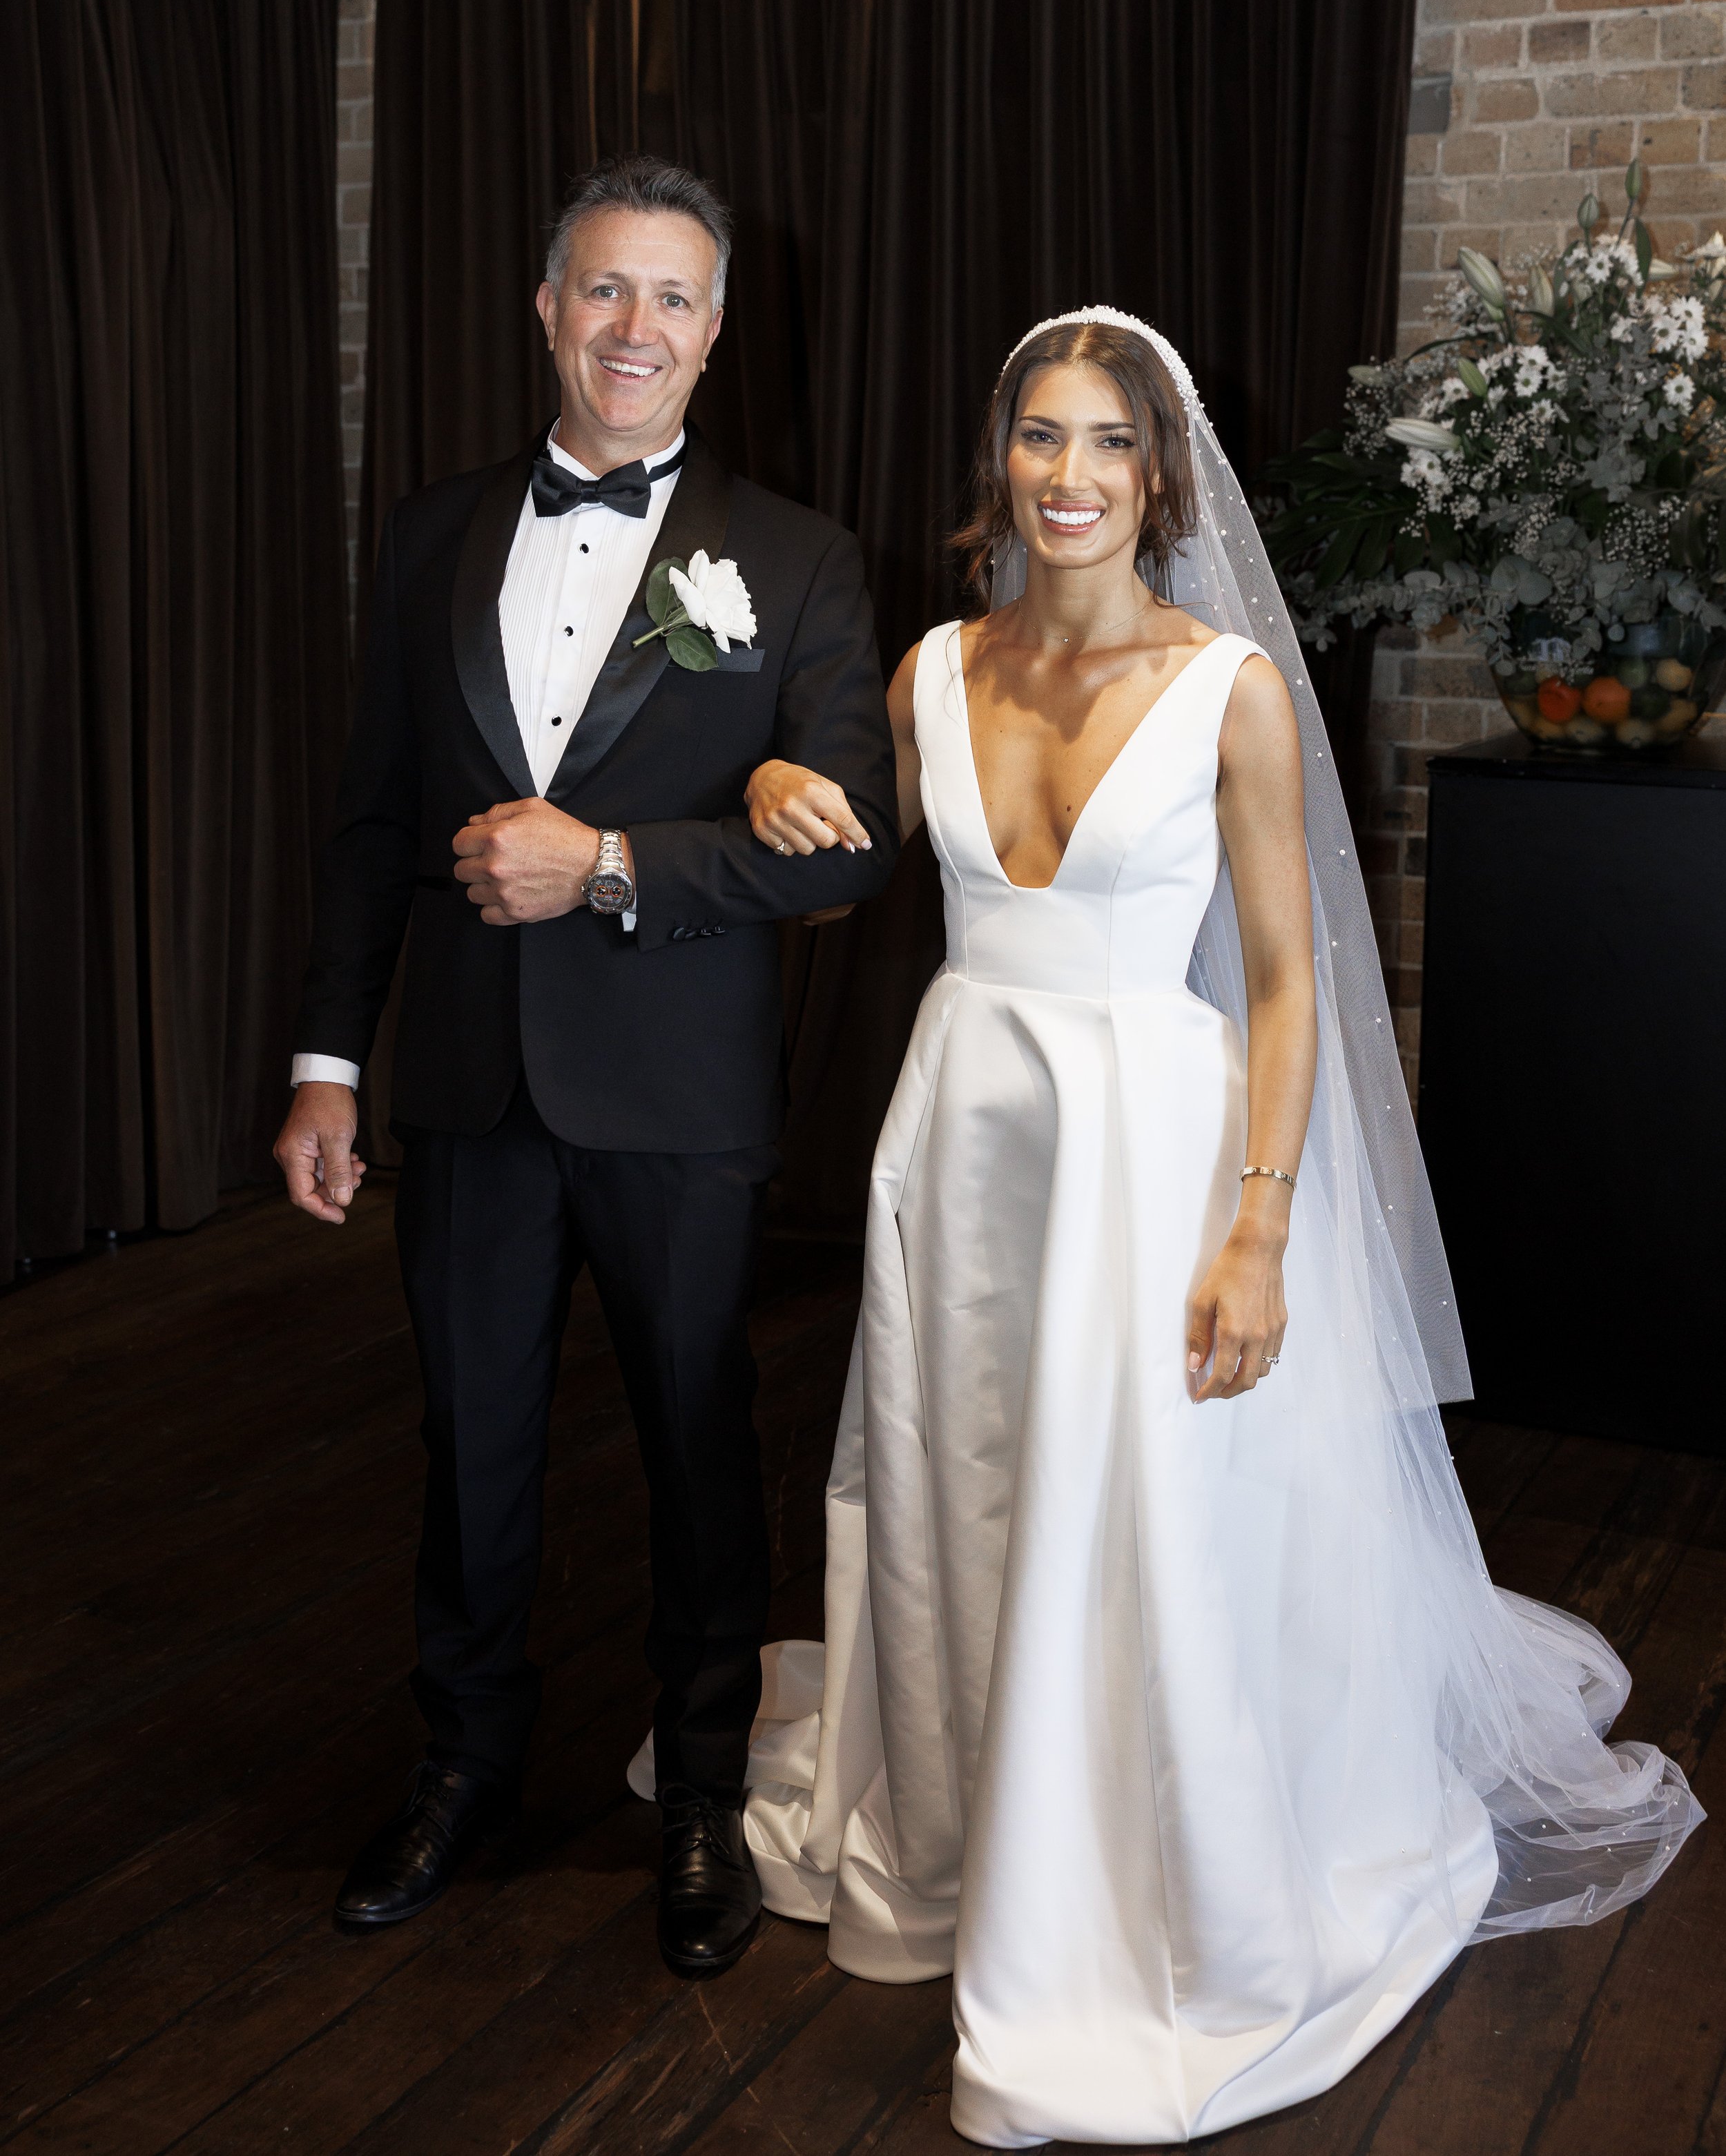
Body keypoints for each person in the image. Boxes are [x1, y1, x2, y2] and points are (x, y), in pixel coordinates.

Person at [725, 309, 1702, 2146]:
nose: (1070, 476)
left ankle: (1125, 1880)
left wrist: (1257, 1227)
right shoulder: (930, 668)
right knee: (962, 1478)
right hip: (966, 1137)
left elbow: (1283, 983)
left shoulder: (1227, 687)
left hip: (1154, 1151)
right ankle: (963, 1813)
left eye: (1109, 443)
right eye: (1040, 436)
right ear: (999, 458)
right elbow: (844, 885)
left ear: (1159, 475)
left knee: (1143, 1513)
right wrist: (777, 792)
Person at [273, 155, 898, 1977]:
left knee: (699, 1443)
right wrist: (326, 1060)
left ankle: (703, 1793)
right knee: (469, 1440)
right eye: (604, 290)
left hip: (678, 1096)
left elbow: (848, 847)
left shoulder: (796, 557)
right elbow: (374, 820)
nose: (636, 328)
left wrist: (611, 863)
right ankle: (461, 1768)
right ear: (548, 310)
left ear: (717, 330)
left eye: (673, 298)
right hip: (466, 1088)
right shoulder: (429, 533)